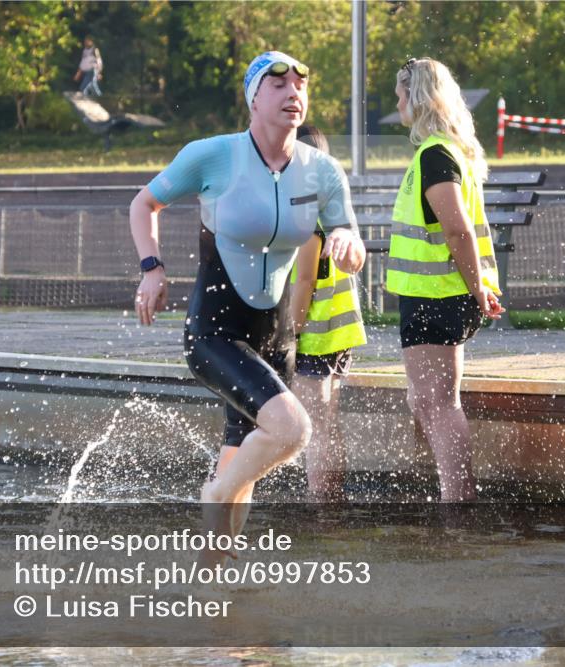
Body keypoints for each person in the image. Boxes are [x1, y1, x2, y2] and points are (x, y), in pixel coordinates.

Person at [129, 52, 365, 522]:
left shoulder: (322, 170)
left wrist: (345, 240)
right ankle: (215, 494)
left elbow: (350, 236)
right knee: (292, 431)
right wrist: (152, 267)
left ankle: (215, 575)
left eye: (300, 84)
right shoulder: (213, 155)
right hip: (216, 332)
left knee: (245, 455)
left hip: (277, 337)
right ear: (253, 99)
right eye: (277, 85)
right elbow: (144, 203)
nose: (292, 92)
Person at [387, 57, 505, 502]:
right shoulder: (445, 151)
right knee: (428, 402)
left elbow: (456, 228)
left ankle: (458, 496)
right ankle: (456, 491)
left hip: (437, 294)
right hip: (434, 295)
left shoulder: (436, 155)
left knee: (438, 403)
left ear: (415, 98)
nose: (397, 104)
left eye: (400, 96)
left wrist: (477, 289)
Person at [289, 125, 368, 501]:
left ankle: (320, 500)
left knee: (315, 426)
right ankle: (331, 498)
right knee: (327, 422)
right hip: (339, 333)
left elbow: (304, 282)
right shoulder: (332, 210)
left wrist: (291, 330)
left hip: (315, 333)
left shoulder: (306, 217)